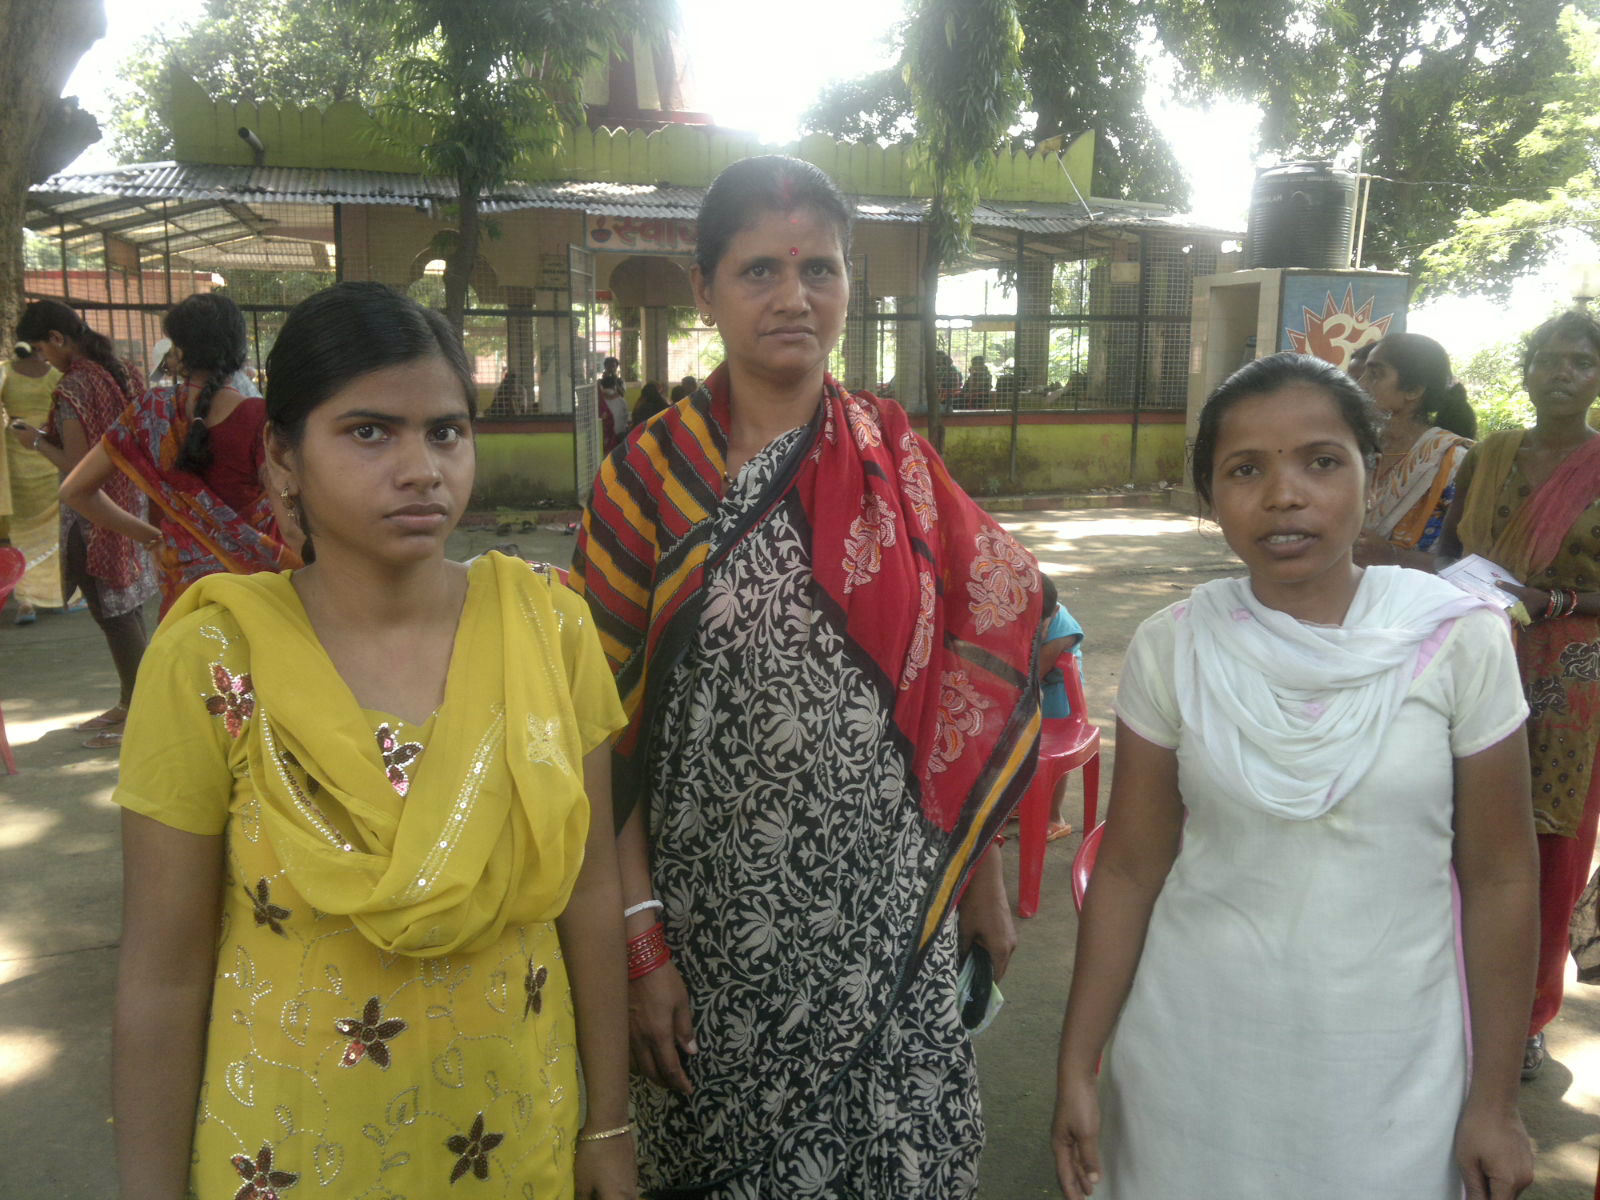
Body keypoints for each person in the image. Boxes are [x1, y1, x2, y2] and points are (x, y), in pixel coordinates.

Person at [571, 155, 1042, 1199]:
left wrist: (982, 878)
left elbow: (974, 674)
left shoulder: (899, 463)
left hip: (891, 914)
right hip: (714, 934)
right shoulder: (646, 482)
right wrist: (640, 944)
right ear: (705, 289)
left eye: (819, 269)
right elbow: (598, 731)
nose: (794, 297)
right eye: (759, 271)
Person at [109, 281, 636, 1200]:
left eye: (445, 431)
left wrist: (610, 1126)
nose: (422, 467)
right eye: (368, 432)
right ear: (282, 458)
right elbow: (163, 968)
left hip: (519, 1140)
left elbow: (591, 892)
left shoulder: (549, 631)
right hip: (287, 1152)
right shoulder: (212, 656)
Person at [1053, 352, 1538, 1200]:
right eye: (1246, 470)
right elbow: (1130, 867)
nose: (1285, 495)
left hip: (1395, 1074)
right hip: (1190, 1062)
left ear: (1369, 470)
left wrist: (1494, 1103)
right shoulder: (1176, 645)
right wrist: (1076, 1065)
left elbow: (1501, 876)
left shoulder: (1459, 640)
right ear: (1211, 496)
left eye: (1321, 461)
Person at [1438, 309, 1600, 1081]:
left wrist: (1554, 602)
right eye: (1548, 358)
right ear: (1526, 368)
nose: (1562, 372)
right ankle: (1451, 990)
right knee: (1457, 824)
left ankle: (1529, 1015)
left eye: (1581, 361)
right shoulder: (1488, 456)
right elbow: (1447, 547)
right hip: (1475, 651)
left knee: (1546, 846)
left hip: (1573, 683)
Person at [60, 292, 297, 617]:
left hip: (184, 593)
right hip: (257, 589)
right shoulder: (260, 418)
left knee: (190, 666)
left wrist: (151, 537)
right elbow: (291, 517)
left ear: (180, 352)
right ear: (238, 349)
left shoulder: (147, 412)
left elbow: (74, 491)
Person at [9, 299, 154, 746]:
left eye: (42, 349)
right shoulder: (125, 371)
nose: (43, 360)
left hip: (95, 515)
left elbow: (76, 468)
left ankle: (138, 709)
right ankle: (138, 698)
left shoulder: (74, 387)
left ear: (57, 338)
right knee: (126, 607)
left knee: (112, 611)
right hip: (133, 499)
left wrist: (34, 440)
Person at [1355, 331, 1476, 570]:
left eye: (1375, 374)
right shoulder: (1355, 448)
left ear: (1414, 390)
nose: (1360, 384)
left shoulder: (1455, 462)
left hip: (1418, 601)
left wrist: (1392, 556)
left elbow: (1471, 565)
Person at [1, 340, 64, 620]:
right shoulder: (55, 375)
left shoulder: (5, 372)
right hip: (46, 450)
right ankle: (57, 593)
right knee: (52, 529)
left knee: (22, 528)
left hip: (15, 454)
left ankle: (25, 599)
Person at [1038, 580, 1086, 842]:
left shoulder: (1061, 633)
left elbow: (1033, 676)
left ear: (1054, 613)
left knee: (1054, 754)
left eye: (1039, 627)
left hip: (1062, 691)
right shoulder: (1040, 613)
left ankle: (1055, 818)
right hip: (1040, 688)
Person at [598, 356, 629, 452]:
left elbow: (622, 393)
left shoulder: (620, 381)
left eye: (613, 366)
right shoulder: (599, 382)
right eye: (609, 366)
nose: (611, 369)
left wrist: (615, 382)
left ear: (616, 367)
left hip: (617, 412)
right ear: (605, 367)